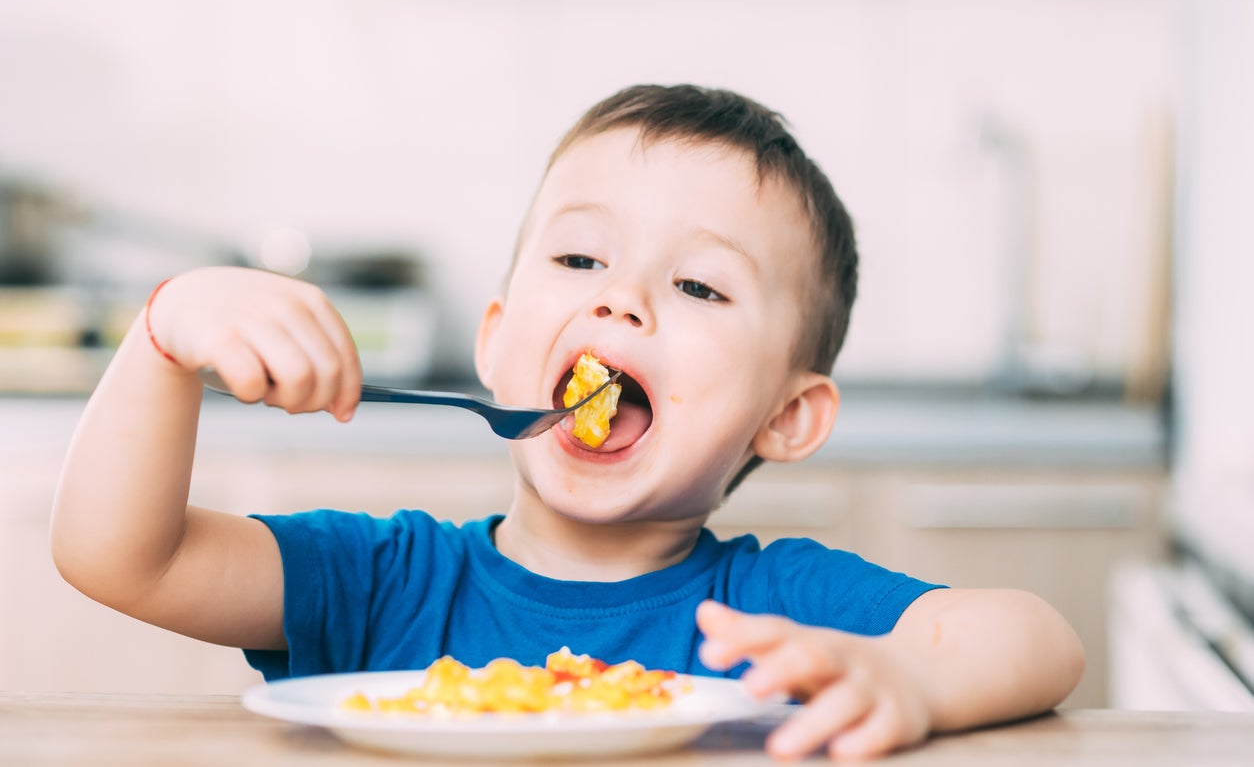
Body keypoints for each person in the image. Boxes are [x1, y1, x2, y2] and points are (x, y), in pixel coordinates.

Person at [52, 84, 1083, 760]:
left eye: (697, 285)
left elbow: (1039, 640)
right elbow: (119, 557)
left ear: (789, 416)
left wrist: (911, 677)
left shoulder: (773, 613)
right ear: (497, 342)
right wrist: (162, 339)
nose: (620, 301)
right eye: (581, 260)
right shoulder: (386, 585)